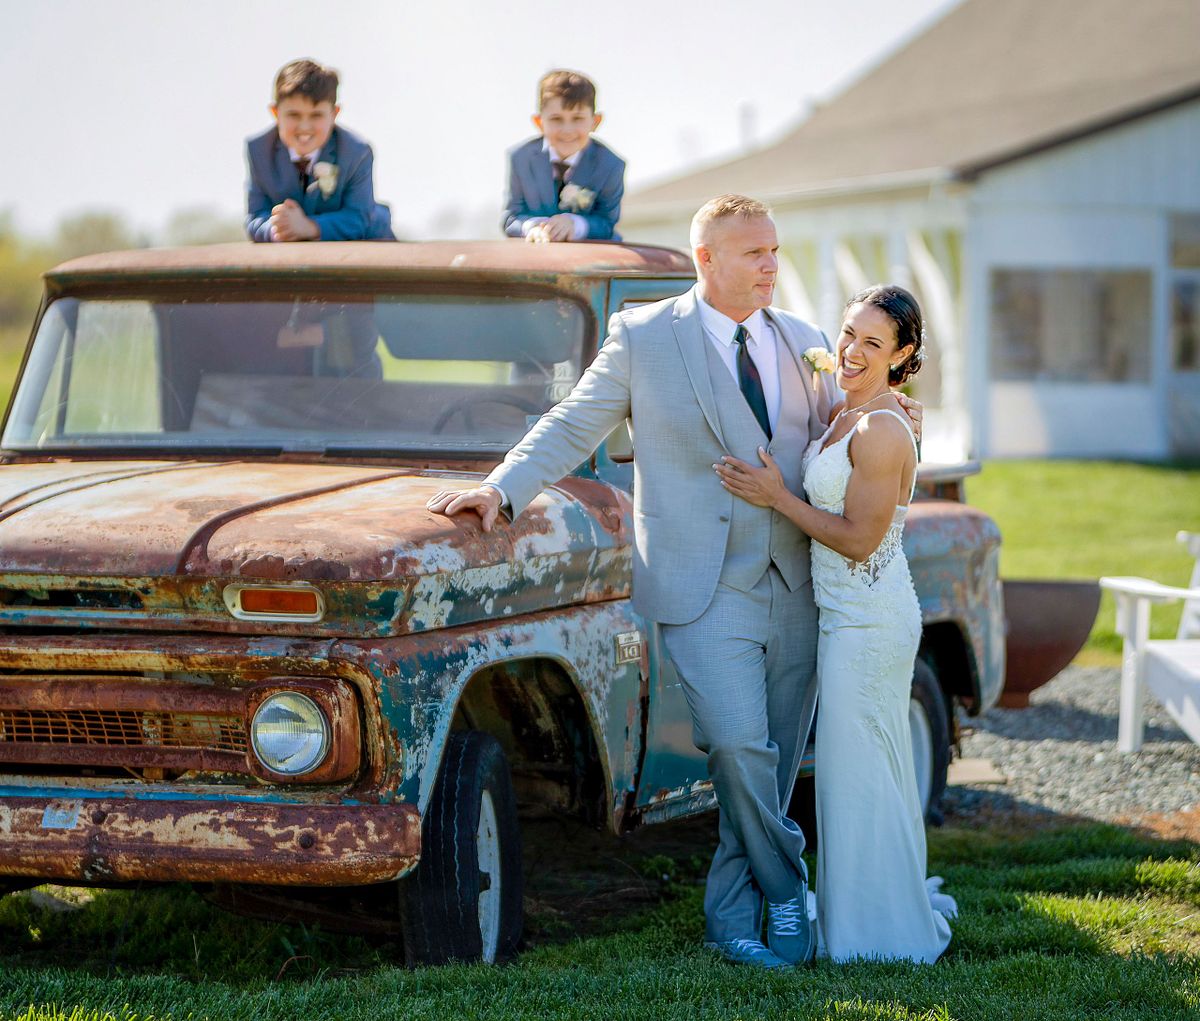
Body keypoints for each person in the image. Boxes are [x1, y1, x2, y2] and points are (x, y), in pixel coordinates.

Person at [427, 195, 921, 969]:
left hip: (798, 580)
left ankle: (732, 917)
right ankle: (788, 886)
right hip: (702, 584)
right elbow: (575, 420)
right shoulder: (645, 337)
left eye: (774, 250)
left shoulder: (804, 340)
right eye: (753, 252)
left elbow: (842, 431)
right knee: (734, 746)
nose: (770, 265)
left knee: (777, 756)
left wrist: (894, 406)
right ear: (707, 259)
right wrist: (503, 486)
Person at [714, 285, 957, 964]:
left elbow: (856, 538)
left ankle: (878, 933)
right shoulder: (851, 412)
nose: (850, 350)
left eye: (872, 343)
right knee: (859, 770)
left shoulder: (881, 429)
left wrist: (777, 497)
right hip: (842, 617)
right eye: (849, 332)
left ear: (903, 354)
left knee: (861, 772)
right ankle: (866, 911)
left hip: (870, 623)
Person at [245, 58, 394, 243]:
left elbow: (358, 217)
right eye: (294, 115)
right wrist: (279, 228)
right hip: (295, 253)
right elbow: (255, 216)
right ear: (276, 113)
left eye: (316, 115)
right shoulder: (259, 150)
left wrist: (309, 226)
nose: (304, 127)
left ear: (334, 114)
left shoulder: (357, 152)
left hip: (368, 243)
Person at [502, 70, 625, 243]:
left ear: (595, 121)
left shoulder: (610, 164)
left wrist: (575, 224)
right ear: (539, 122)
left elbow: (606, 223)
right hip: (536, 255)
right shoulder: (521, 158)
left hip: (592, 257)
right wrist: (534, 227)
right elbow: (511, 218)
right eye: (556, 119)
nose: (567, 130)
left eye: (577, 118)